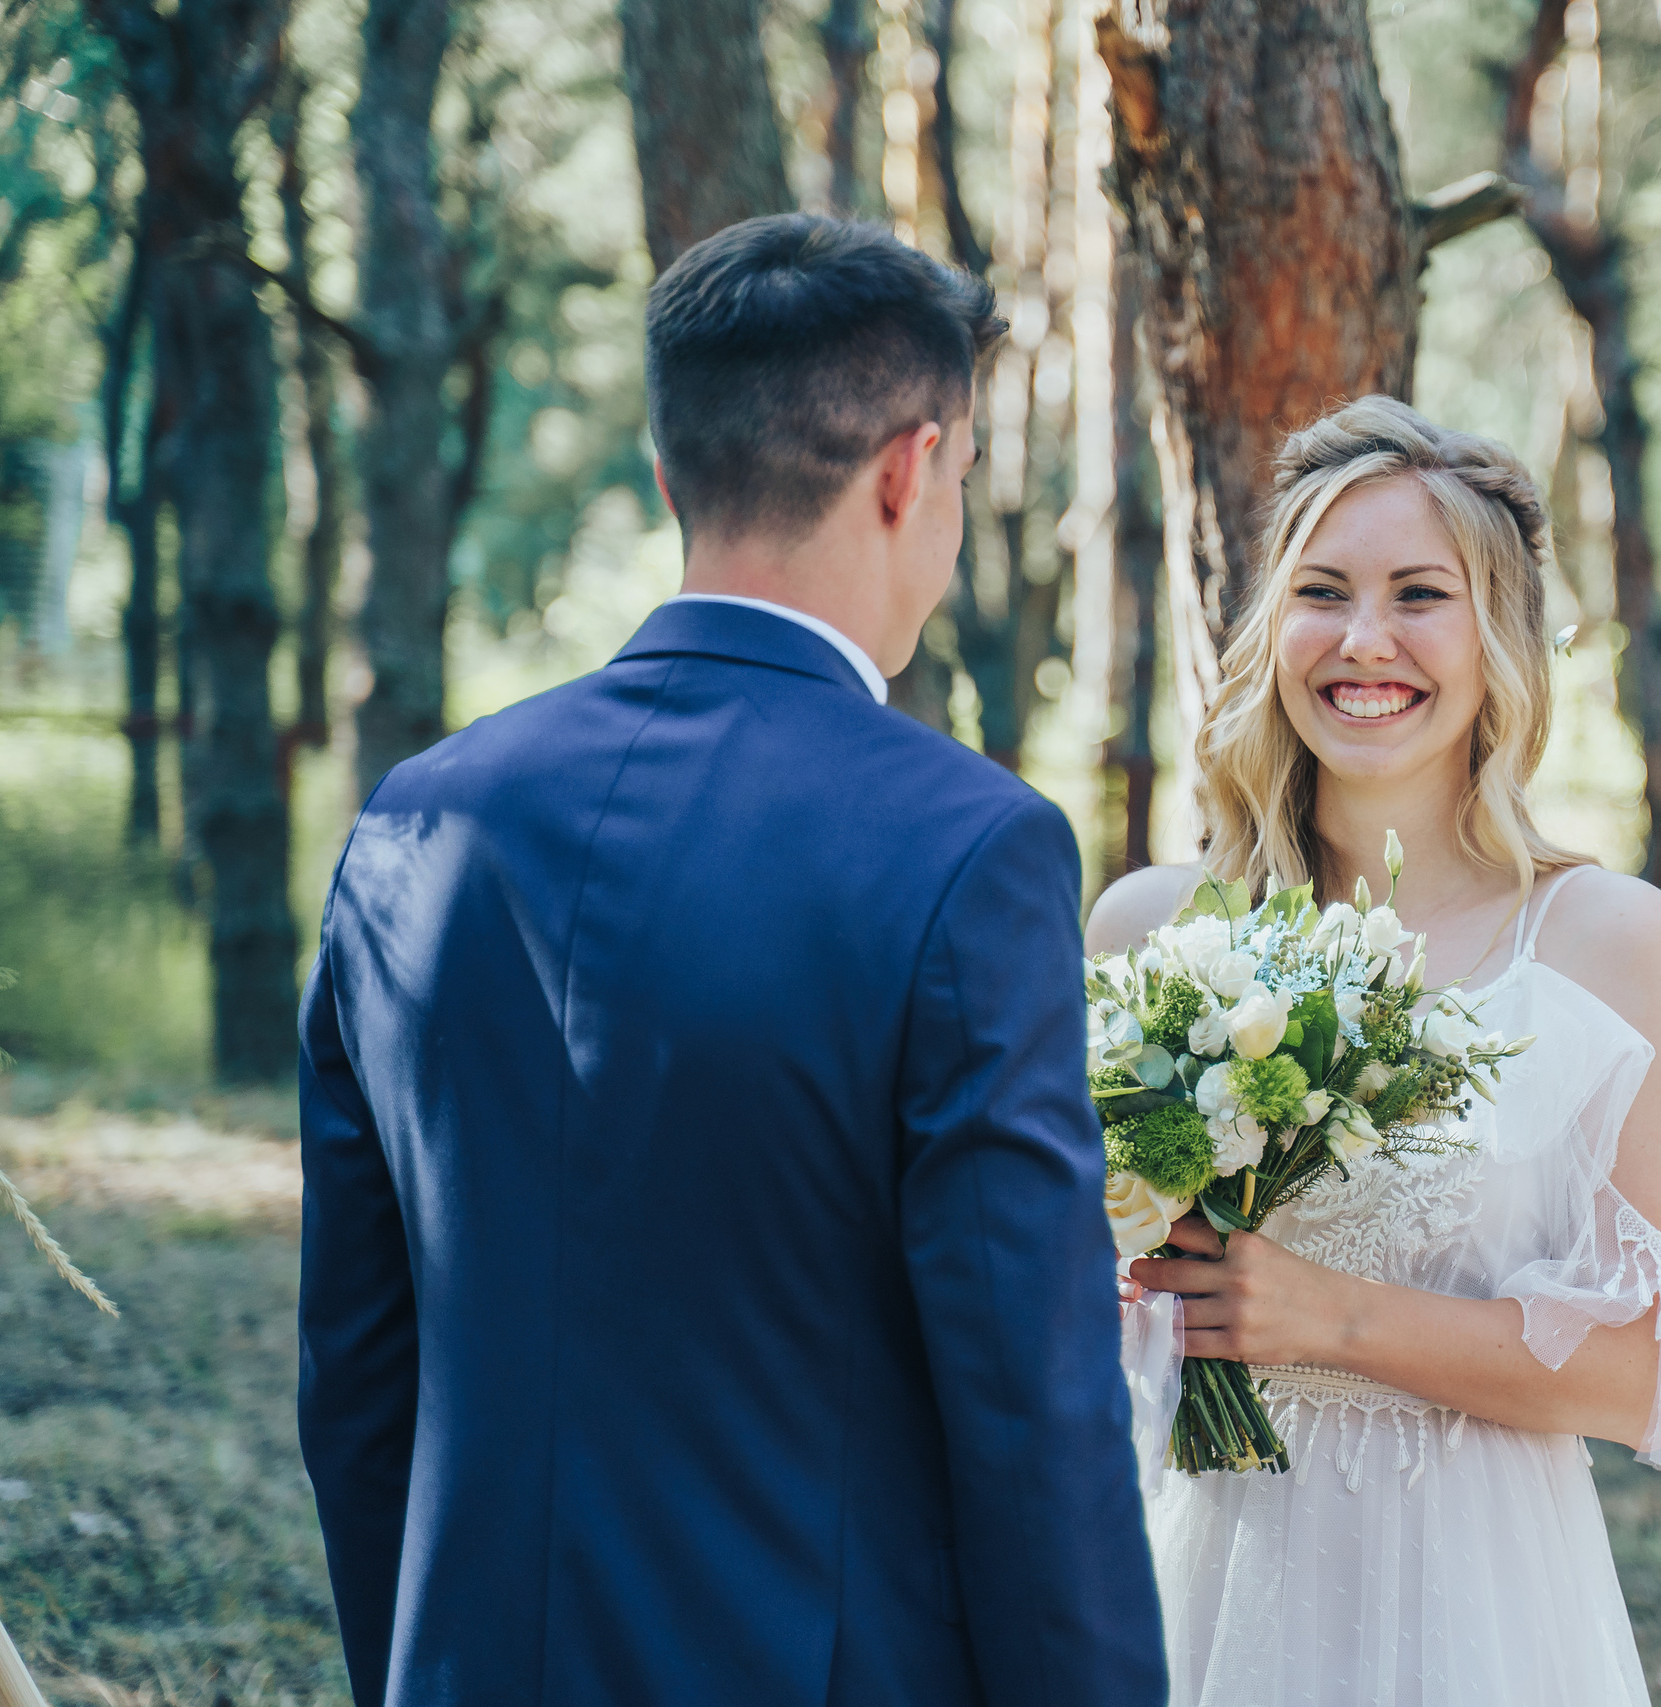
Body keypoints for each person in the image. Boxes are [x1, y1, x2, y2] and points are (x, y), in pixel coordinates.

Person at [298, 214, 1165, 1707]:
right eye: (962, 477)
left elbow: (360, 1374)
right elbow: (1029, 1407)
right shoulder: (968, 850)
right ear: (913, 470)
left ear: (666, 473)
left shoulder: (416, 819)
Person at [1088, 395, 1661, 1707]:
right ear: (1274, 629)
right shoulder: (1151, 926)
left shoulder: (1611, 944)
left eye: (1418, 595)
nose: (1363, 640)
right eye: (1323, 592)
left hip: (1480, 1600)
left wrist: (1331, 1318)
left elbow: (1657, 1379)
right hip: (1205, 1570)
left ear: (1497, 638)